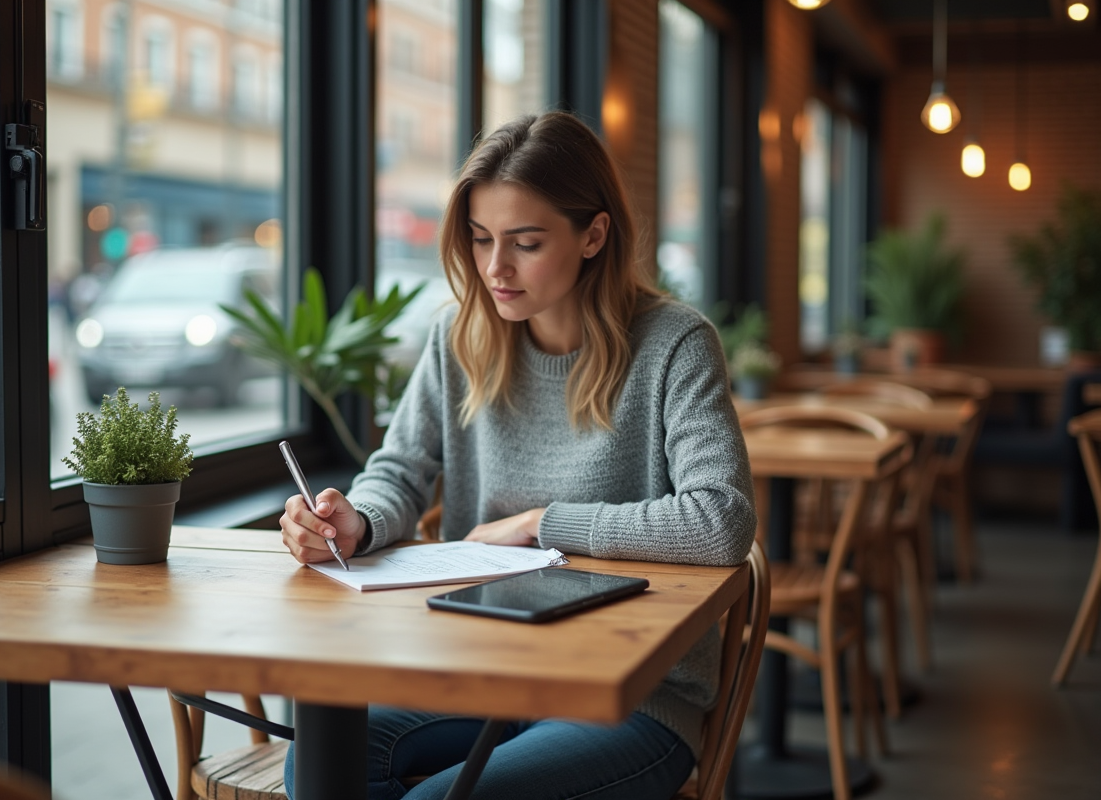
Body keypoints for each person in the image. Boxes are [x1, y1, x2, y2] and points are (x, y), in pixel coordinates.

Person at [279, 111, 756, 800]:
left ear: (594, 234)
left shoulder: (675, 344)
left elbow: (721, 522)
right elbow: (399, 471)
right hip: (479, 664)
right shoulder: (460, 336)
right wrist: (357, 520)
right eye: (480, 239)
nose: (495, 268)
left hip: (630, 695)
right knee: (322, 763)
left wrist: (541, 523)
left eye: (525, 243)